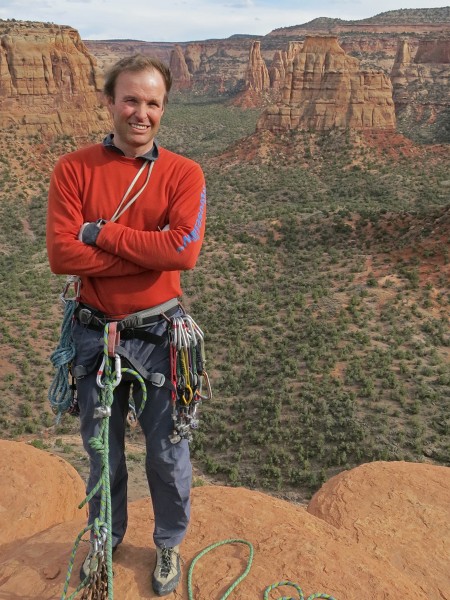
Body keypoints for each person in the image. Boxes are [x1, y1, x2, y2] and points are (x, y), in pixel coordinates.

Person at [46, 54, 206, 596]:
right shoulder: (74, 168)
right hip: (97, 333)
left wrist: (102, 233)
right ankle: (104, 539)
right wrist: (148, 252)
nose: (142, 112)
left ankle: (168, 544)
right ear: (111, 101)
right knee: (101, 448)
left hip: (161, 334)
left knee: (166, 451)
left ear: (164, 108)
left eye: (153, 102)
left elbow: (183, 253)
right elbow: (61, 255)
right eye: (131, 99)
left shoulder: (184, 173)